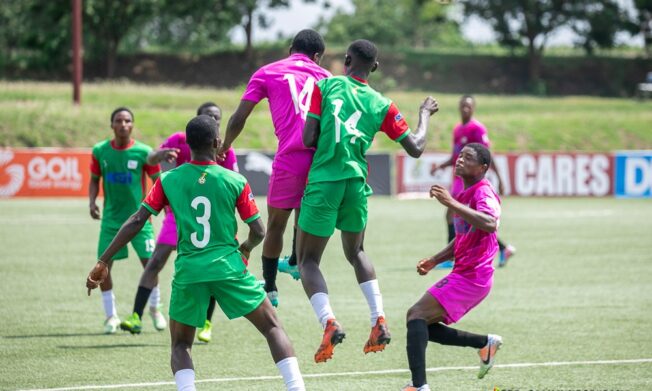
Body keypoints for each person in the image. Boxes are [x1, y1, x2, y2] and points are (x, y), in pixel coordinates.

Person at [86, 115, 305, 391]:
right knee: (273, 328)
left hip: (189, 271)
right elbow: (260, 231)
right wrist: (246, 248)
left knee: (181, 345)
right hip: (229, 269)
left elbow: (137, 220)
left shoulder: (168, 180)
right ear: (217, 142)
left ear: (188, 144)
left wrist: (103, 259)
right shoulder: (235, 180)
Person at [298, 39, 439, 363]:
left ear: (346, 60)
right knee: (357, 252)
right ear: (374, 68)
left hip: (324, 181)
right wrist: (423, 113)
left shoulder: (327, 86)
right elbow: (416, 146)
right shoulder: (381, 103)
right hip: (356, 184)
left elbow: (308, 138)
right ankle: (378, 319)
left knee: (307, 261)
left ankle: (329, 321)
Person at [219, 29, 331, 307]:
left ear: (290, 48)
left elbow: (239, 117)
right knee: (303, 220)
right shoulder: (327, 77)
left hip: (289, 158)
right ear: (317, 57)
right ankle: (294, 261)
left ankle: (269, 288)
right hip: (319, 161)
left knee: (275, 226)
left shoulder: (268, 72)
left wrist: (225, 145)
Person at [119, 103, 238, 344]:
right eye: (208, 117)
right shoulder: (179, 139)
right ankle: (136, 315)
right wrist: (160, 155)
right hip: (177, 215)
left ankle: (206, 322)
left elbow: (233, 185)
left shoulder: (225, 150)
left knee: (213, 267)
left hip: (211, 218)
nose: (213, 120)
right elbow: (150, 159)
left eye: (217, 117)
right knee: (156, 262)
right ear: (197, 120)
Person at [403, 143, 503, 391]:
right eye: (460, 156)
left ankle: (419, 387)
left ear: (482, 168)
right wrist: (435, 259)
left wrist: (451, 203)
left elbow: (490, 224)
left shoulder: (483, 193)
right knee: (420, 321)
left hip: (474, 277)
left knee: (415, 315)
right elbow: (462, 237)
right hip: (465, 274)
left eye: (467, 158)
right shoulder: (466, 194)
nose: (459, 160)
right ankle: (484, 343)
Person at [88, 107, 164, 334]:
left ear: (133, 125)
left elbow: (158, 181)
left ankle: (155, 309)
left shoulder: (144, 152)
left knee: (151, 264)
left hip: (140, 221)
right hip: (111, 221)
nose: (123, 124)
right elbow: (94, 180)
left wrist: (161, 208)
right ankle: (111, 316)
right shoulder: (100, 151)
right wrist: (92, 202)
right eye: (119, 121)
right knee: (103, 266)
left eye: (127, 120)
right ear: (111, 125)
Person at [430, 95, 515, 268]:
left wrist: (500, 178)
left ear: (474, 108)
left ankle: (452, 258)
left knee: (457, 215)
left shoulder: (477, 129)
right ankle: (503, 249)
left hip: (468, 181)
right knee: (461, 218)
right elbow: (455, 156)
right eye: (463, 106)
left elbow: (486, 155)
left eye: (469, 106)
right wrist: (441, 166)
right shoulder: (457, 129)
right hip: (459, 178)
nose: (465, 109)